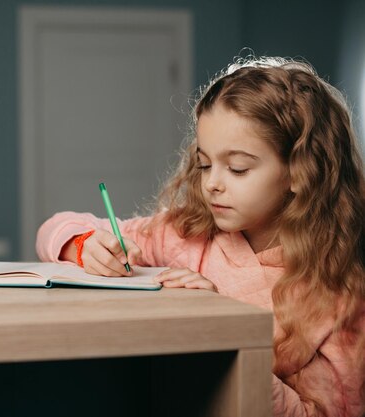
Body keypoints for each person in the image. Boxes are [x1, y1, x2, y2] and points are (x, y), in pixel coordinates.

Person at [36, 56, 365, 417]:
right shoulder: (188, 234)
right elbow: (55, 226)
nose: (212, 183)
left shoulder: (340, 294)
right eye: (205, 164)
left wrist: (221, 329)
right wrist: (84, 246)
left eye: (238, 168)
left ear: (300, 171)